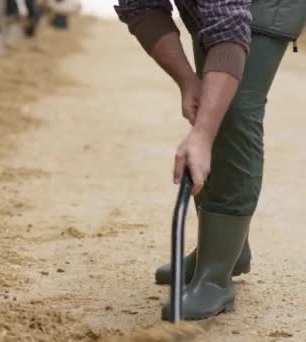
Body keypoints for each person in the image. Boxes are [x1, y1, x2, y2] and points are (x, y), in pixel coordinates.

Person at [115, 1, 306, 321]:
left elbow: (227, 27)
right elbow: (141, 6)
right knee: (211, 100)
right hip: (217, 10)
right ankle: (224, 250)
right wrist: (188, 80)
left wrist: (202, 133)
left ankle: (215, 277)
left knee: (232, 112)